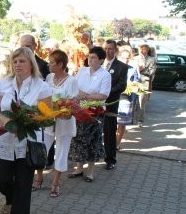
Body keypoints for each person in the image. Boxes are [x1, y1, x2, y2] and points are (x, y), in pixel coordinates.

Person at [0, 47, 52, 214]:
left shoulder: (42, 87)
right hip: (5, 138)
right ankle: (10, 198)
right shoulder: (3, 84)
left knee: (24, 182)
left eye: (22, 61)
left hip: (28, 141)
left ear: (31, 63)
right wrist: (7, 121)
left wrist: (28, 121)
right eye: (15, 61)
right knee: (0, 176)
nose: (17, 65)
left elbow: (46, 115)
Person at [68, 46, 111, 182]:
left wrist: (86, 96)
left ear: (101, 60)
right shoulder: (82, 70)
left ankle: (90, 171)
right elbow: (74, 87)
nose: (90, 59)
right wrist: (78, 95)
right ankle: (79, 168)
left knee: (93, 141)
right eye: (89, 56)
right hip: (79, 111)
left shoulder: (105, 75)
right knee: (78, 139)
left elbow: (103, 94)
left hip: (94, 113)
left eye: (93, 58)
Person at [40, 50, 78, 197]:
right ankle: (39, 177)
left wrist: (63, 110)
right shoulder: (49, 77)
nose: (49, 64)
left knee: (61, 153)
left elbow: (73, 102)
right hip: (48, 121)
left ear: (60, 64)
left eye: (51, 62)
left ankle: (55, 183)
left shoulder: (72, 81)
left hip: (64, 122)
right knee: (42, 149)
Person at [102, 40, 128, 170]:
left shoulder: (121, 67)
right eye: (106, 48)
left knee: (109, 132)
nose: (108, 51)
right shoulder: (98, 63)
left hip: (110, 104)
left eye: (110, 48)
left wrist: (105, 94)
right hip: (93, 104)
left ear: (115, 50)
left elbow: (122, 86)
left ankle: (110, 159)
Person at [116, 47, 140, 150]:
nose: (125, 60)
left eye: (127, 58)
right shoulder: (114, 68)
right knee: (112, 122)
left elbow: (137, 84)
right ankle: (111, 143)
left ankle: (117, 144)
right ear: (119, 57)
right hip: (114, 98)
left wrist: (133, 86)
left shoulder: (132, 69)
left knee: (121, 123)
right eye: (123, 57)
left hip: (126, 99)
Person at [135, 43, 156, 127]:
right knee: (132, 101)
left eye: (144, 49)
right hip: (134, 82)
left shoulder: (151, 59)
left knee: (141, 101)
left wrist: (143, 70)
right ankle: (129, 118)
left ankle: (140, 120)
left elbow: (152, 71)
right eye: (141, 49)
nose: (143, 51)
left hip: (144, 81)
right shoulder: (135, 58)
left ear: (147, 50)